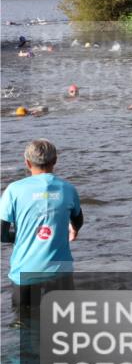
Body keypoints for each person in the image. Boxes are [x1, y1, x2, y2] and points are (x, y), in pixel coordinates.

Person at [1, 140, 83, 328]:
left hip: (25, 272)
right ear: (55, 160)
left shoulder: (14, 190)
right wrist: (73, 229)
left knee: (23, 324)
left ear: (27, 163)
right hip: (59, 271)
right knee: (64, 325)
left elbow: (2, 234)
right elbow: (78, 220)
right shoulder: (68, 189)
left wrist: (21, 237)